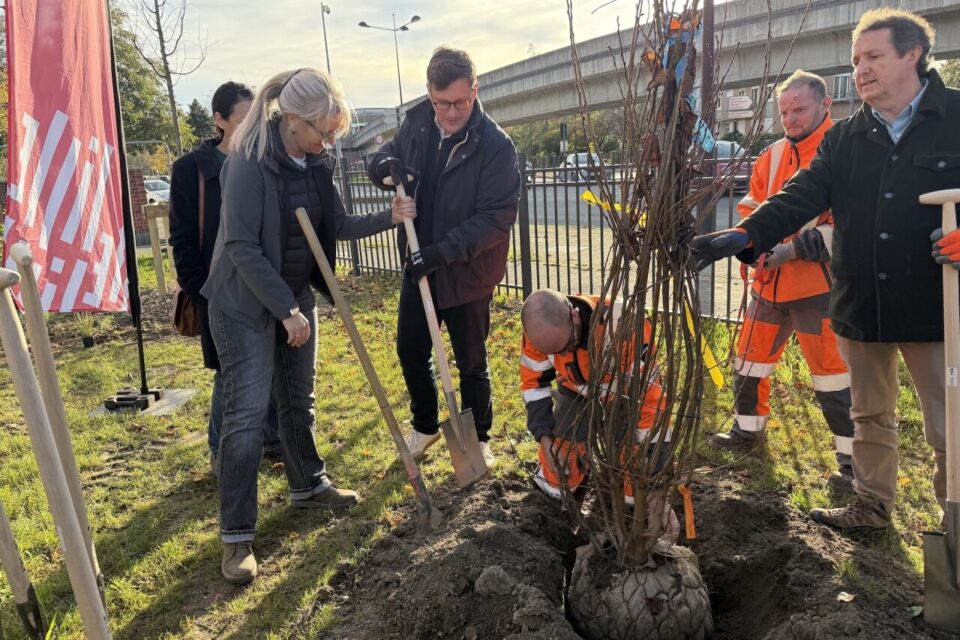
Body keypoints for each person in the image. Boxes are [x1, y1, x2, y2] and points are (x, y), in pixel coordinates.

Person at [691, 8, 960, 530]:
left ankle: (955, 522)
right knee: (869, 414)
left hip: (934, 302)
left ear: (913, 54)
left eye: (874, 56)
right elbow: (801, 196)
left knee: (947, 420)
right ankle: (871, 505)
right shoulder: (846, 138)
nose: (861, 69)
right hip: (862, 299)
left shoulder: (957, 118)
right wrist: (744, 235)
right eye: (856, 60)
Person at [200, 68, 416, 584]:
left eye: (335, 133)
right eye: (325, 131)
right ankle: (236, 535)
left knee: (299, 398)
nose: (330, 142)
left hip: (292, 294)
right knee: (247, 415)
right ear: (293, 119)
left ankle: (309, 486)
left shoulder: (316, 162)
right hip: (243, 304)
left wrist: (388, 216)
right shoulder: (247, 163)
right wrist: (285, 311)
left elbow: (334, 225)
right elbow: (241, 247)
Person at [367, 47, 522, 469]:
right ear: (429, 93)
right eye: (441, 103)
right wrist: (384, 167)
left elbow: (495, 220)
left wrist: (439, 254)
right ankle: (425, 425)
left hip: (468, 272)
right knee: (410, 350)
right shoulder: (418, 123)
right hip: (419, 267)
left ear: (475, 90)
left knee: (471, 362)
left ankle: (479, 438)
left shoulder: (495, 146)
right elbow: (379, 158)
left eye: (460, 102)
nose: (451, 113)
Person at [706, 71, 857, 491]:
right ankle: (747, 430)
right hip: (768, 284)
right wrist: (751, 250)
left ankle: (852, 463)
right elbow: (751, 207)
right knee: (749, 361)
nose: (790, 119)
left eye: (799, 110)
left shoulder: (842, 152)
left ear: (825, 104)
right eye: (784, 112)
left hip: (818, 288)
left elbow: (847, 225)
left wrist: (790, 251)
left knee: (833, 375)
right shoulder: (771, 155)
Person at [169, 81, 284, 477]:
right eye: (241, 120)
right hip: (219, 289)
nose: (252, 128)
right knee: (231, 373)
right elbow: (183, 238)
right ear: (219, 120)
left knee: (271, 363)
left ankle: (271, 439)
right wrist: (202, 291)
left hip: (263, 280)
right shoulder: (192, 170)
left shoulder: (265, 159)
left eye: (257, 119)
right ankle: (222, 455)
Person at [519, 289, 666, 501]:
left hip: (623, 400)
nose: (564, 354)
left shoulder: (624, 324)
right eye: (556, 352)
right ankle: (580, 469)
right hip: (575, 395)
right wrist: (544, 437)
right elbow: (533, 386)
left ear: (575, 315)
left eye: (568, 345)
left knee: (635, 493)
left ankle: (621, 468)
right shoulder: (538, 333)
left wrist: (653, 465)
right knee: (556, 483)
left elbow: (650, 396)